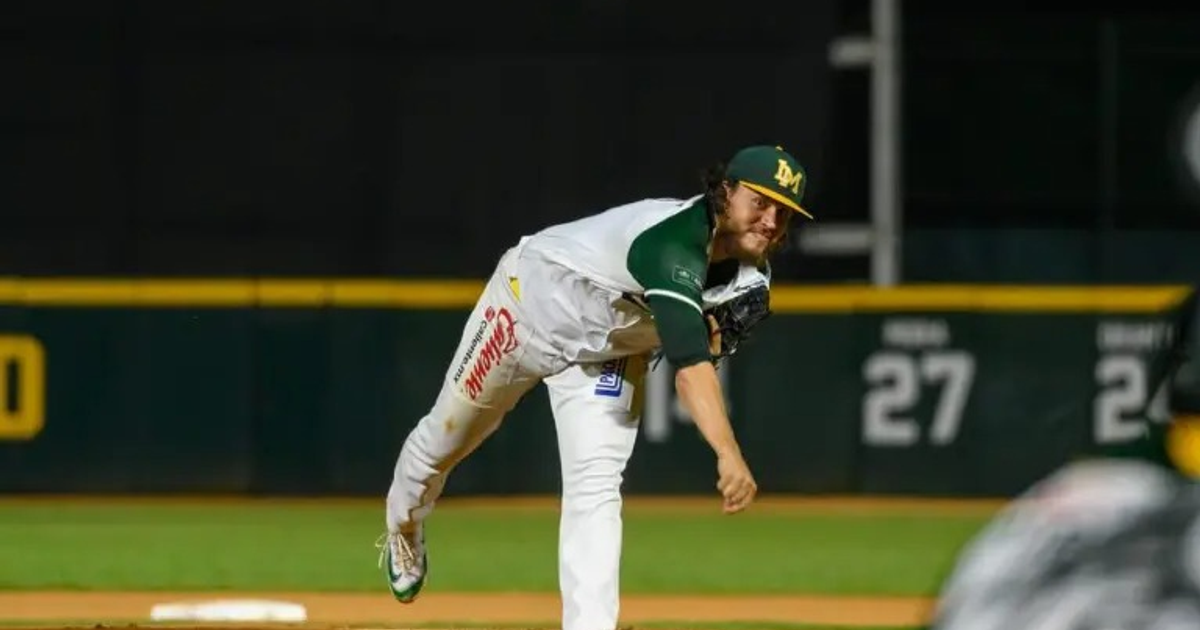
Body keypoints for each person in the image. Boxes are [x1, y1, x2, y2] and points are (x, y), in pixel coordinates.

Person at [378, 145, 814, 630]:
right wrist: (727, 452)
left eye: (785, 212)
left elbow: (701, 351)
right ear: (725, 191)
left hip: (609, 351)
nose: (772, 220)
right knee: (443, 439)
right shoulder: (672, 242)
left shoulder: (751, 276)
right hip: (525, 310)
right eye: (761, 202)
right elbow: (691, 370)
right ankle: (403, 526)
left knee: (596, 486)